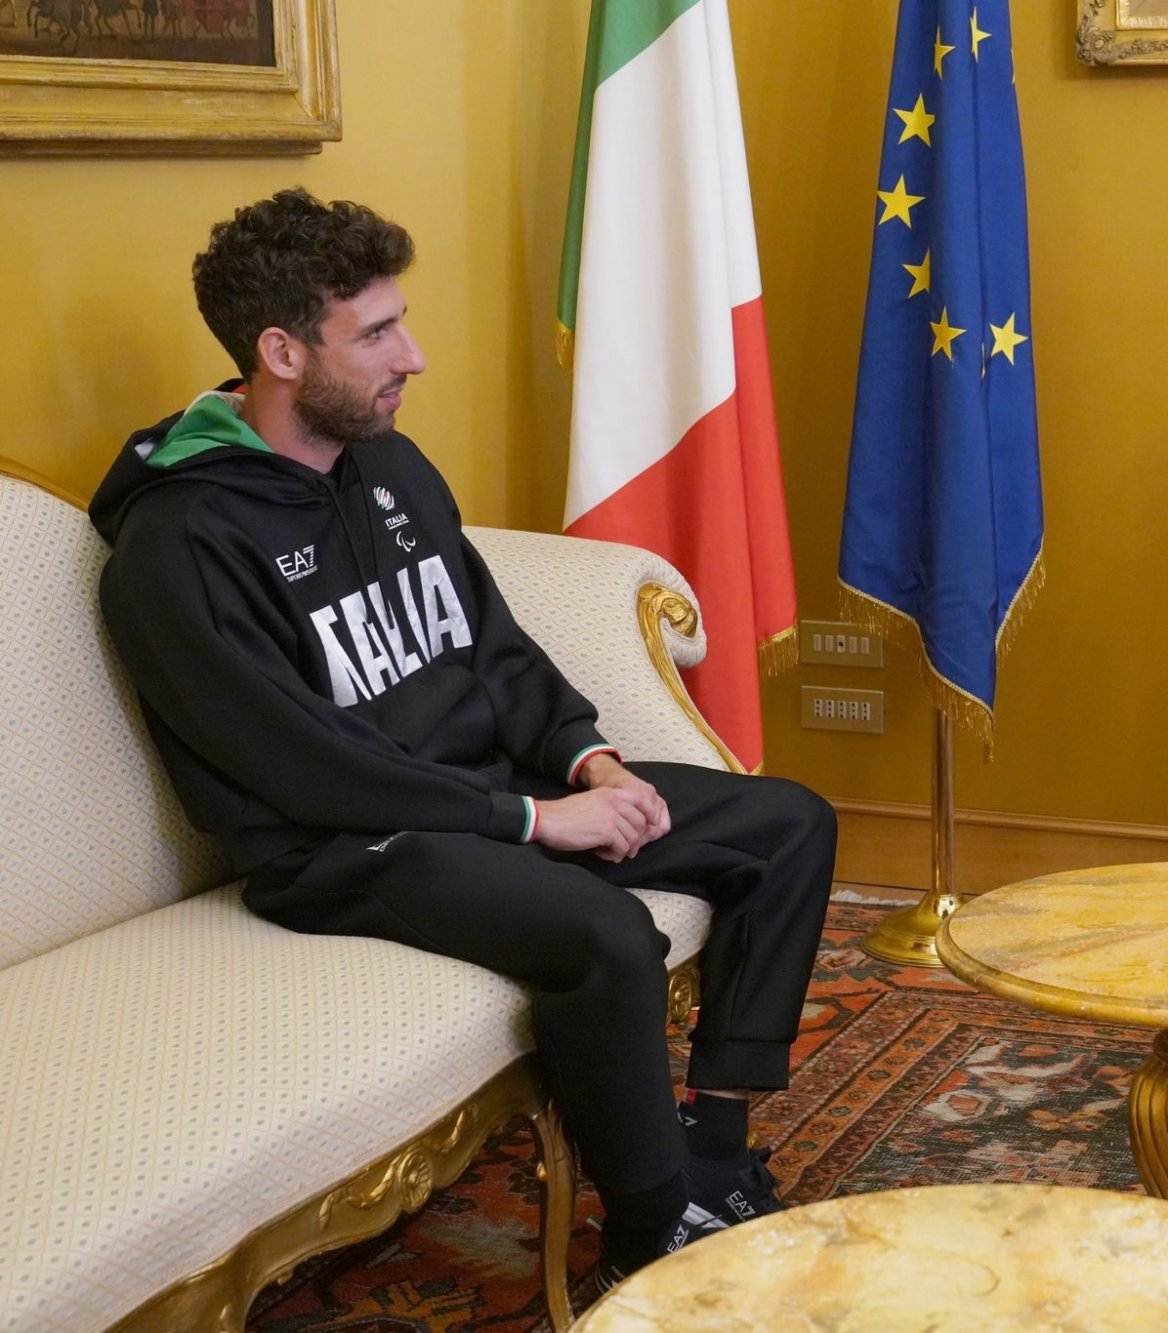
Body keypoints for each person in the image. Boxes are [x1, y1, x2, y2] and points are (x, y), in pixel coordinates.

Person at [88, 188, 837, 1294]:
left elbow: (493, 642)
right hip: (341, 846)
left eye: (402, 321)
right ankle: (647, 1239)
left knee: (787, 823)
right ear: (281, 352)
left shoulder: (384, 462)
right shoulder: (179, 546)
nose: (414, 356)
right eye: (377, 334)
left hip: (482, 791)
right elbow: (301, 765)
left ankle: (713, 1158)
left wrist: (586, 757)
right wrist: (534, 818)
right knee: (604, 933)